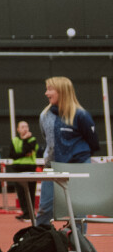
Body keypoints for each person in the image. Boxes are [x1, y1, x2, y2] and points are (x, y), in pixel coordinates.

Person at [35, 76, 99, 226]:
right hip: (52, 167)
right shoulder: (44, 116)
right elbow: (47, 138)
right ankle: (40, 238)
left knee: (78, 210)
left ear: (62, 91)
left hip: (78, 166)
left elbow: (93, 143)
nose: (46, 93)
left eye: (50, 89)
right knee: (45, 208)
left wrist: (76, 157)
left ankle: (77, 239)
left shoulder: (81, 115)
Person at [6, 119, 41, 221]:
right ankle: (25, 213)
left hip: (30, 169)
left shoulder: (33, 140)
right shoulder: (14, 141)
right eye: (22, 127)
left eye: (26, 127)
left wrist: (25, 140)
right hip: (18, 169)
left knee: (30, 191)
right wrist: (24, 154)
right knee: (20, 192)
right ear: (18, 129)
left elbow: (27, 149)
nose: (25, 129)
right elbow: (12, 155)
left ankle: (30, 214)